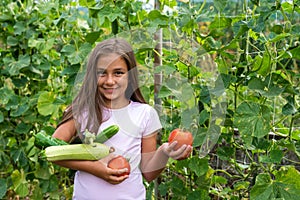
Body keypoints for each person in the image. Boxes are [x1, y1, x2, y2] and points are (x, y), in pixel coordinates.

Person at [52, 38, 193, 200]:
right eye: (102, 73)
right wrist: (95, 168)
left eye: (118, 73)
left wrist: (164, 152)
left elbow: (148, 173)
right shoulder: (82, 111)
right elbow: (53, 152)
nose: (110, 81)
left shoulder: (144, 114)